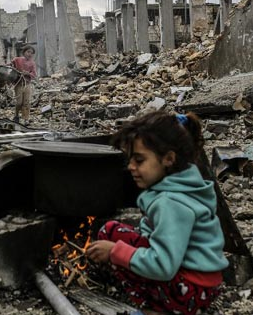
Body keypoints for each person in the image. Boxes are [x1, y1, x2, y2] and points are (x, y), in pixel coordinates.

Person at [86, 111, 228, 315]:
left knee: (113, 241)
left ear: (168, 158)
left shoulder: (170, 203)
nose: (131, 167)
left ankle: (156, 310)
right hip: (200, 283)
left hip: (190, 290)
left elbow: (163, 266)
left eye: (139, 160)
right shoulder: (184, 184)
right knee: (113, 232)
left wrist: (115, 253)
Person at [10, 45, 36, 123]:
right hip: (18, 84)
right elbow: (9, 66)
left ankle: (26, 119)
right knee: (19, 102)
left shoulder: (32, 63)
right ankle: (16, 115)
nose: (30, 54)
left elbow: (34, 74)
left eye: (31, 53)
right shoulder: (17, 60)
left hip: (27, 84)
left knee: (26, 102)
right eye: (28, 52)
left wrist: (28, 73)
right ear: (24, 52)